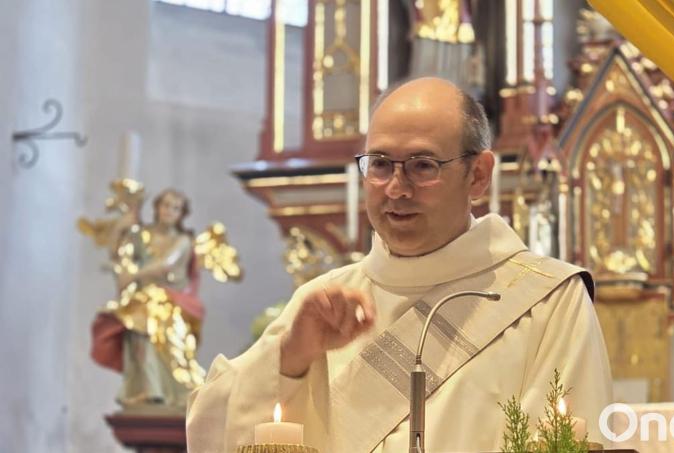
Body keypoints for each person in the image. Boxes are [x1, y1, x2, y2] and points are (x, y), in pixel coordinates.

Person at [186, 77, 612, 452]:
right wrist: (290, 360)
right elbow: (209, 431)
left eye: (423, 166)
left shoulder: (548, 301)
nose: (396, 188)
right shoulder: (325, 302)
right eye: (381, 164)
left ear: (478, 175)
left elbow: (574, 441)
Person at [92, 189, 206, 408]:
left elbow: (165, 265)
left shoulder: (183, 240)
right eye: (165, 205)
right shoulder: (142, 235)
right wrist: (120, 228)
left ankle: (176, 390)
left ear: (182, 214)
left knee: (152, 320)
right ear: (156, 207)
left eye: (175, 208)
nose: (169, 211)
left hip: (171, 302)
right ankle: (147, 388)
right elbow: (119, 253)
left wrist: (133, 275)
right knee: (137, 328)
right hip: (144, 302)